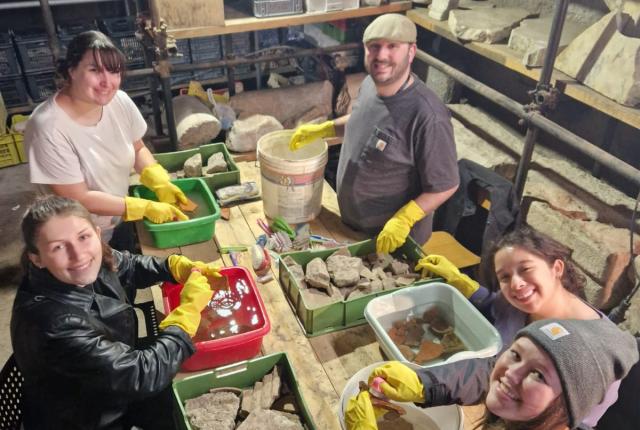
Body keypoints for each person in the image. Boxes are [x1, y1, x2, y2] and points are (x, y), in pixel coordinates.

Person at [11, 195, 221, 430]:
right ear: (37, 258)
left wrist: (171, 267)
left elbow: (126, 265)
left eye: (83, 237)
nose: (78, 254)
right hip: (87, 417)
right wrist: (186, 316)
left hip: (108, 382)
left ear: (97, 234)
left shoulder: (90, 258)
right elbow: (140, 375)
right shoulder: (54, 324)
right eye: (58, 247)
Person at [413, 227, 621, 426]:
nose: (516, 284)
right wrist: (462, 283)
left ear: (556, 268)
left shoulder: (594, 352)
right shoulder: (517, 303)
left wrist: (427, 385)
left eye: (526, 269)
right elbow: (496, 307)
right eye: (505, 276)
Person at [289, 13, 459, 254]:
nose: (381, 56)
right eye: (374, 47)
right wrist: (325, 129)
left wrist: (405, 219)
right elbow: (363, 122)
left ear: (411, 52)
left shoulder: (428, 116)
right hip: (352, 228)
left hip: (392, 243)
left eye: (393, 47)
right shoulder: (371, 84)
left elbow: (446, 184)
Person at [25, 30, 188, 251]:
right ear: (71, 70)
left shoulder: (119, 101)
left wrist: (158, 179)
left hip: (117, 214)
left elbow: (137, 147)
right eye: (94, 70)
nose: (107, 82)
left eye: (114, 71)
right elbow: (77, 198)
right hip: (76, 237)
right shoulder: (48, 127)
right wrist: (143, 207)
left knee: (127, 274)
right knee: (98, 281)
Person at [345, 318, 639, 430]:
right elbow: (490, 372)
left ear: (567, 409)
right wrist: (424, 383)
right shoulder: (523, 412)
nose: (511, 373)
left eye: (538, 375)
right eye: (515, 353)